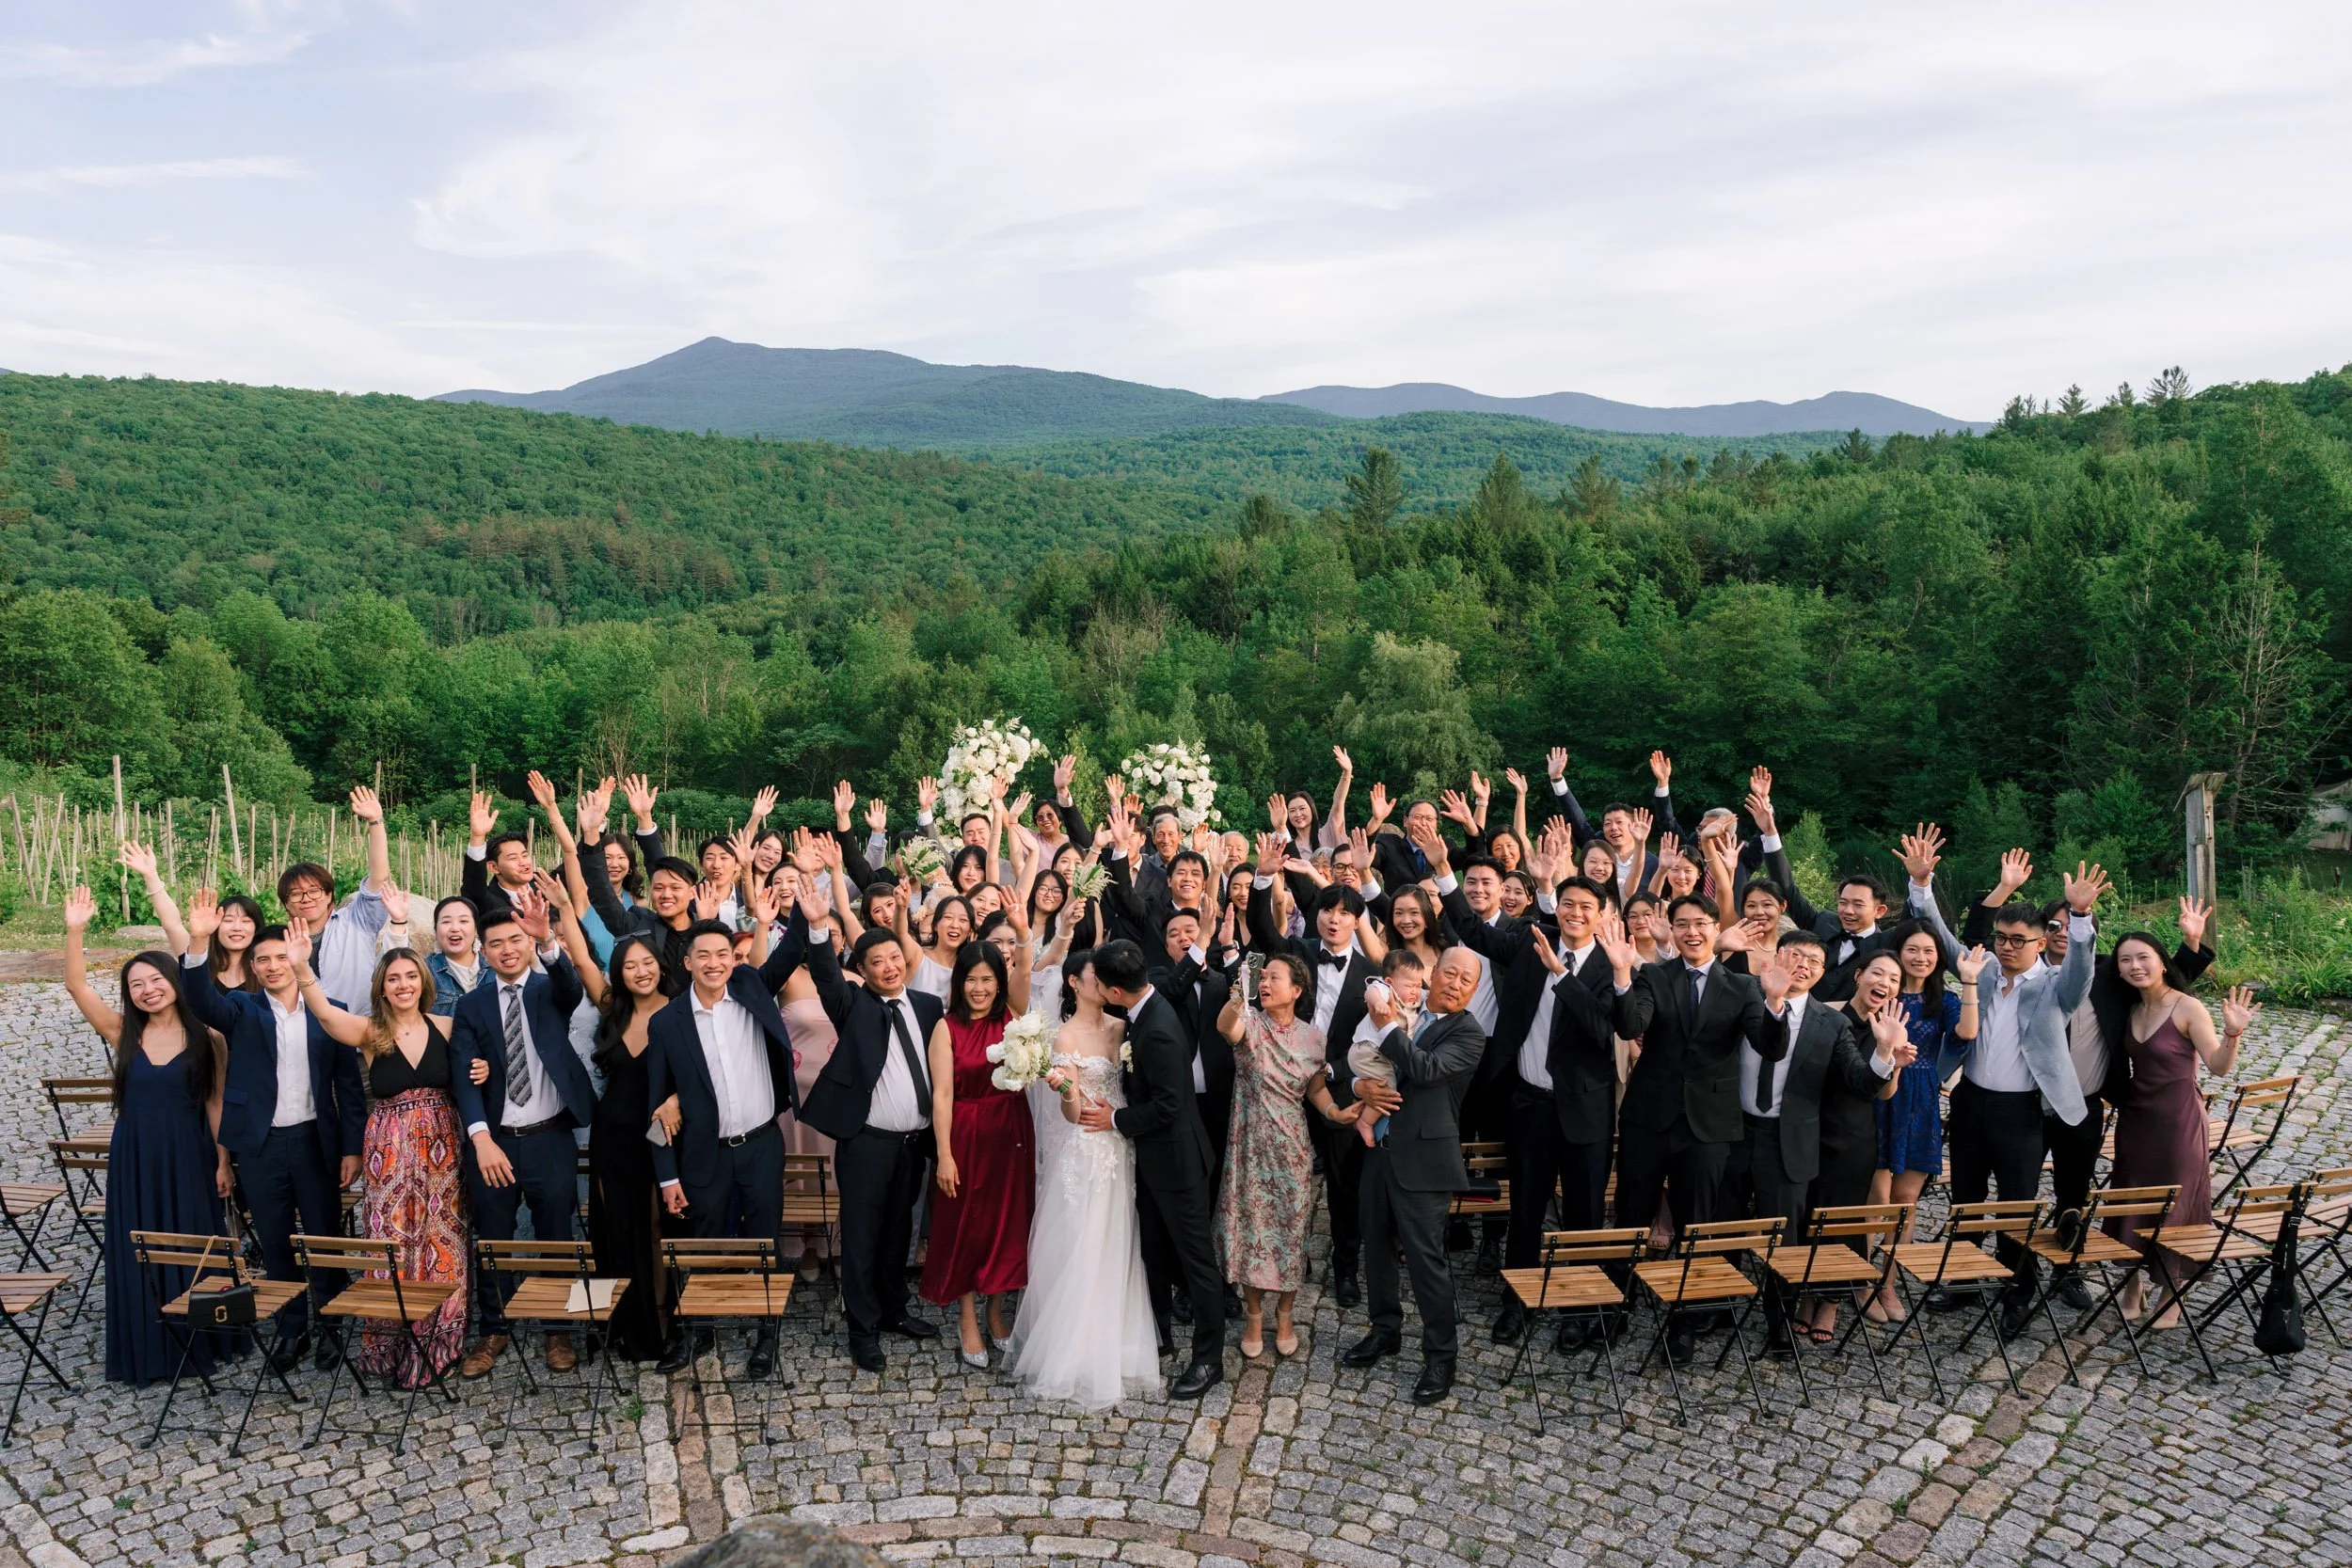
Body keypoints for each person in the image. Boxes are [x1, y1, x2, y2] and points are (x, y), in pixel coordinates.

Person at [1601, 893, 1793, 1366]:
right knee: (1631, 1214)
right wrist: (1622, 975)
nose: (1691, 932)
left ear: (1714, 928)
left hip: (1708, 1125)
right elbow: (1631, 1026)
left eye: (1701, 923)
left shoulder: (1743, 986)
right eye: (1682, 923)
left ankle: (1685, 1319)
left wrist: (1774, 1001)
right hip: (1649, 1118)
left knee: (1697, 1224)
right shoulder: (1652, 975)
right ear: (1673, 927)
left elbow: (1769, 1046)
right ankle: (1614, 1304)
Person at [1917, 863, 2106, 1341]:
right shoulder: (1980, 971)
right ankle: (1962, 1278)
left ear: (2041, 943)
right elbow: (1940, 937)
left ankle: (2019, 1290)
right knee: (1965, 1197)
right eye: (2002, 936)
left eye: (2017, 939)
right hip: (1971, 1101)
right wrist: (1921, 886)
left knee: (2016, 1204)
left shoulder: (2054, 986)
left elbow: (2082, 972)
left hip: (2022, 1110)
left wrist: (2080, 915)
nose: (2005, 944)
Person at [180, 890, 366, 1370]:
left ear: (298, 955)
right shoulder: (242, 1009)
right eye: (262, 959)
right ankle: (291, 1329)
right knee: (277, 1239)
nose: (271, 965)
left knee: (324, 1237)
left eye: (280, 955)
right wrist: (198, 942)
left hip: (315, 1141)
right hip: (262, 1145)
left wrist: (352, 1149)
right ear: (255, 967)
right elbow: (201, 1000)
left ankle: (330, 1325)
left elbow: (348, 1089)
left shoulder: (331, 1009)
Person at [62, 885, 230, 1387]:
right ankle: (148, 1344)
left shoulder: (210, 1037)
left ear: (175, 980)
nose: (147, 989)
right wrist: (75, 931)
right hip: (134, 1157)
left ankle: (203, 1340)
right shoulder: (122, 1032)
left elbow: (216, 1104)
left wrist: (224, 1161)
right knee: (138, 1249)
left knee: (194, 1244)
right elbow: (76, 987)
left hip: (190, 1155)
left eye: (156, 979)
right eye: (136, 984)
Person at [644, 896, 817, 1380]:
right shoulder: (667, 1023)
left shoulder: (751, 989)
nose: (715, 963)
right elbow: (656, 1109)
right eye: (704, 955)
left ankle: (766, 1332)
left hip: (761, 1145)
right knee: (706, 1244)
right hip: (705, 1155)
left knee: (765, 1241)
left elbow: (792, 947)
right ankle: (699, 1331)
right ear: (687, 962)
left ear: (733, 959)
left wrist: (801, 896)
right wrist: (667, 1179)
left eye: (723, 954)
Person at [293, 937, 468, 1387]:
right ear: (382, 989)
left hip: (441, 1150)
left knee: (440, 1237)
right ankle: (389, 1342)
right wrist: (301, 970)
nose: (403, 984)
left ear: (423, 982)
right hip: (388, 1153)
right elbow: (328, 1016)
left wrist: (481, 1069)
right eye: (394, 979)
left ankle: (436, 1341)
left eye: (411, 976)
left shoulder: (447, 1026)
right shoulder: (372, 1032)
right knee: (390, 1237)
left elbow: (475, 1067)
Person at [1724, 936, 1909, 1353]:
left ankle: (1779, 1324)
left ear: (1824, 974)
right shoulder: (1744, 996)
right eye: (1796, 956)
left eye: (1814, 962)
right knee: (1725, 1226)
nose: (1803, 966)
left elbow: (1861, 1083)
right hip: (1731, 1131)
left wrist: (1884, 1052)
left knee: (1785, 1241)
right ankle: (1713, 1310)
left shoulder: (1832, 1021)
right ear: (1776, 957)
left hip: (1788, 1142)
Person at [447, 890, 594, 1379]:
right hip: (497, 1140)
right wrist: (480, 1138)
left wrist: (548, 939)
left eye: (515, 939)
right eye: (496, 943)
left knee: (557, 1234)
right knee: (493, 1238)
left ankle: (559, 1331)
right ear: (482, 951)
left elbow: (572, 989)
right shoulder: (471, 1006)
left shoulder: (548, 988)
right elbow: (464, 1075)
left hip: (550, 1135)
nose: (508, 949)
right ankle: (494, 1328)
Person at [1009, 951, 1161, 1406]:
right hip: (1086, 1149)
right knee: (1081, 1241)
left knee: (1117, 1241)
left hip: (1120, 1146)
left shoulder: (1123, 1027)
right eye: (1096, 975)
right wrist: (1066, 1089)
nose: (1104, 981)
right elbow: (1073, 1114)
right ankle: (1071, 1351)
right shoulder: (1065, 1036)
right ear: (1074, 982)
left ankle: (1115, 1344)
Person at [1080, 940, 1225, 1399]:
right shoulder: (1148, 1006)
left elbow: (1170, 1105)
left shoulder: (1158, 1030)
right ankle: (1158, 1332)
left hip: (1179, 1165)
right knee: (1155, 1253)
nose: (1098, 992)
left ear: (1116, 990)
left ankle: (1209, 1359)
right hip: (1153, 1162)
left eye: (1100, 986)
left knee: (1197, 1263)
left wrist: (1115, 1119)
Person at [1343, 947, 1486, 1406]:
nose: (1456, 983)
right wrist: (1357, 1086)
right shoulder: (1405, 1007)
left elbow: (1424, 1071)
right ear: (1433, 973)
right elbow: (1369, 1063)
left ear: (1474, 989)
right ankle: (1385, 1330)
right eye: (1450, 973)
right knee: (1376, 1248)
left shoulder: (1468, 1033)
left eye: (1466, 979)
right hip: (1380, 1152)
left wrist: (1385, 1025)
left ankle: (1441, 1356)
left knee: (1427, 1262)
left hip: (1426, 1163)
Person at [804, 928, 948, 1372]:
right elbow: (827, 976)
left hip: (911, 1145)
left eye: (894, 957)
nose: (890, 967)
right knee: (863, 1238)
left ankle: (892, 1310)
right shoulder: (854, 1004)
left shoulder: (927, 1006)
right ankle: (862, 1329)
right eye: (877, 962)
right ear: (863, 971)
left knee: (896, 1233)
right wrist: (814, 930)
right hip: (867, 1143)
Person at [2098, 941, 2258, 1326]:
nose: (2136, 966)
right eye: (2126, 960)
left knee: (2180, 1204)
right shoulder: (2131, 1007)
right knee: (2133, 1200)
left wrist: (2233, 1034)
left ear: (2163, 963)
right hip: (2137, 1120)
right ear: (2118, 970)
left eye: (2143, 958)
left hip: (2179, 1121)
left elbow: (2218, 1066)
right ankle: (2132, 1283)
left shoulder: (2187, 1006)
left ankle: (2172, 1291)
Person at [1496, 878, 1622, 1348]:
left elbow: (1601, 1029)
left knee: (1585, 1213)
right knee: (1525, 1209)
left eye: (1586, 906)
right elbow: (1476, 929)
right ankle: (1517, 1303)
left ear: (1602, 914)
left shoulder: (1614, 964)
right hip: (1530, 1103)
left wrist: (1562, 976)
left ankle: (1577, 1307)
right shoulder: (1533, 946)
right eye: (1567, 903)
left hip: (1585, 1111)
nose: (1574, 912)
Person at [1214, 952, 1357, 1358]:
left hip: (1292, 1149)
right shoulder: (1251, 1024)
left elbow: (1315, 1089)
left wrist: (1334, 1112)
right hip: (1248, 1148)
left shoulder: (1315, 1038)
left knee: (1290, 1237)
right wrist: (1238, 997)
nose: (1266, 983)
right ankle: (1255, 1316)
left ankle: (1288, 1313)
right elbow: (1225, 1026)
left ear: (1296, 991)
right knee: (1252, 1236)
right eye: (1263, 977)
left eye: (1274, 978)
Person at [1248, 865, 1378, 1308]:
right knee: (1289, 1178)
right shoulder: (1299, 952)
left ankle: (1345, 1269)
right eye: (1327, 910)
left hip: (1341, 1089)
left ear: (1357, 921)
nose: (1334, 919)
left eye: (1344, 913)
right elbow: (1262, 929)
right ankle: (1291, 1256)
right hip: (1286, 1091)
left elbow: (1373, 1039)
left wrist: (1336, 1072)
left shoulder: (1370, 972)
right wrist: (1264, 880)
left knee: (1345, 1186)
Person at [919, 942, 1037, 1366]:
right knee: (967, 1225)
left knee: (1008, 1223)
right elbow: (943, 1096)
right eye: (971, 979)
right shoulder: (945, 1028)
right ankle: (967, 1316)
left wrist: (1023, 935)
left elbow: (1027, 967)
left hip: (1011, 1132)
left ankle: (995, 1309)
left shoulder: (1014, 1019)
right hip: (966, 1133)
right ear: (959, 982)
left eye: (987, 979)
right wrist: (945, 1155)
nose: (979, 988)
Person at [1866, 924, 1982, 1322]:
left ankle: (1888, 1282)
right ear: (1897, 953)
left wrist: (1968, 982)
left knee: (1905, 1201)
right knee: (1875, 1199)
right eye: (1912, 950)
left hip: (1920, 1101)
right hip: (1881, 1096)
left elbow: (1967, 1032)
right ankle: (1862, 1280)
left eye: (1928, 951)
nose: (1920, 957)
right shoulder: (1882, 993)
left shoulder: (1943, 1000)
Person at [580, 930, 679, 1363]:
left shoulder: (681, 1011)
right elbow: (584, 964)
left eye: (647, 962)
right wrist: (564, 908)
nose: (641, 972)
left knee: (656, 1230)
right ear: (619, 975)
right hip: (611, 1137)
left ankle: (658, 1324)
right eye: (629, 966)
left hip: (660, 1138)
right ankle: (619, 1321)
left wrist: (678, 1100)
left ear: (661, 964)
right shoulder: (613, 1009)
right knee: (614, 1229)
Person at [275, 784, 398, 1008]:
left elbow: (379, 876)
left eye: (314, 891)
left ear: (329, 894)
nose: (306, 898)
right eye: (296, 894)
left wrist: (375, 822)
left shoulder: (356, 920)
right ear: (286, 903)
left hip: (357, 1031)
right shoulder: (279, 943)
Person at [421, 895, 490, 1017]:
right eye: (446, 922)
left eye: (463, 921)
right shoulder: (425, 969)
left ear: (476, 929)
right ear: (435, 930)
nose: (454, 928)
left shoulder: (495, 965)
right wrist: (398, 922)